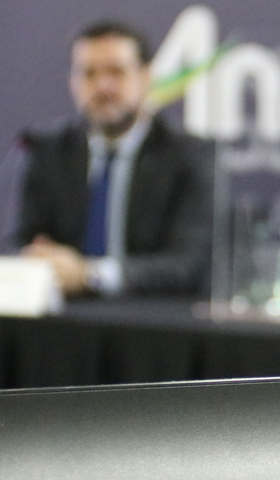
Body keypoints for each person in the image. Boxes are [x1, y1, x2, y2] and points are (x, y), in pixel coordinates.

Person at [14, 20, 213, 296]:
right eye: (89, 73)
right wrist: (36, 259)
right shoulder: (47, 150)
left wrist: (90, 275)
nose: (103, 87)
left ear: (146, 77)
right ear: (72, 82)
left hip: (157, 324)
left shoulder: (190, 156)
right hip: (60, 321)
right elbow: (15, 241)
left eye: (116, 72)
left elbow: (188, 264)